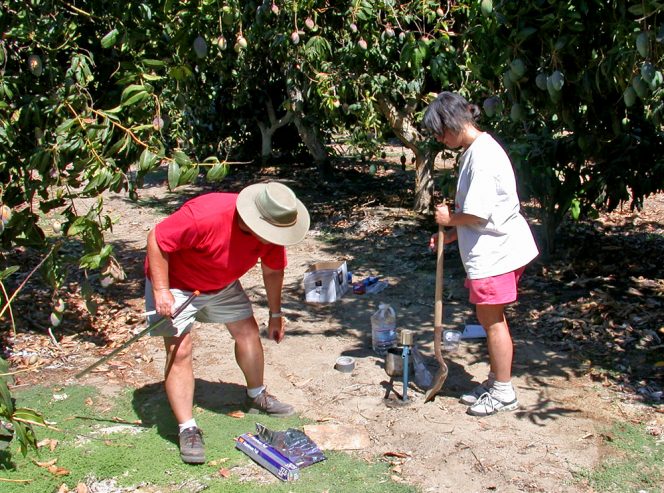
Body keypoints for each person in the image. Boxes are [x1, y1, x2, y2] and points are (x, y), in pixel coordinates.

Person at [144, 181, 310, 464]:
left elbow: (272, 272)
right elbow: (157, 239)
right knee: (180, 349)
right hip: (177, 284)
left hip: (221, 284)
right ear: (253, 218)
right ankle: (187, 428)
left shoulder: (272, 231)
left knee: (247, 331)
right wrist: (161, 290)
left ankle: (256, 395)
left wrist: (276, 313)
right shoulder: (205, 215)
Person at [422, 91, 539, 417]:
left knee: (493, 322)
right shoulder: (476, 150)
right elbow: (481, 212)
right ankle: (495, 381)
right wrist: (452, 232)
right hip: (493, 249)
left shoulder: (483, 157)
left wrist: (450, 220)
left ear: (453, 123)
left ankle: (504, 391)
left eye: (438, 131)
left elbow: (479, 214)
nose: (437, 138)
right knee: (491, 321)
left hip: (496, 254)